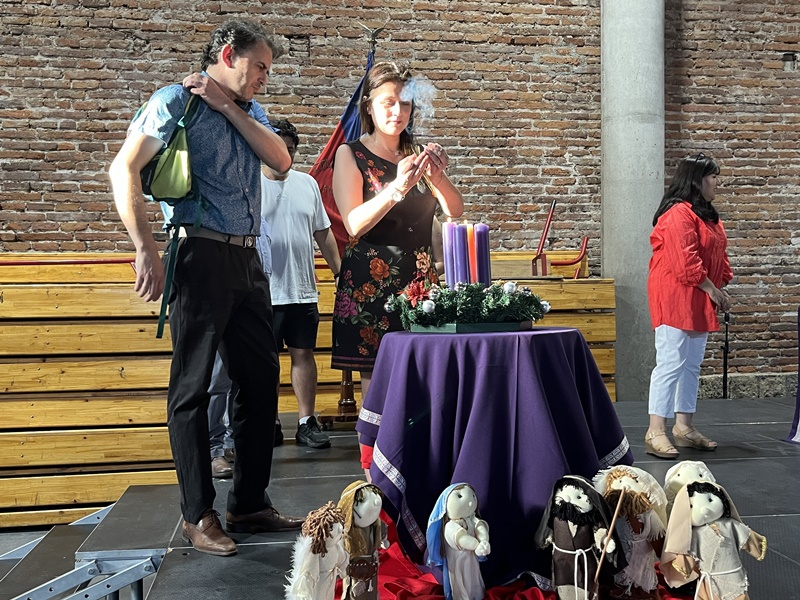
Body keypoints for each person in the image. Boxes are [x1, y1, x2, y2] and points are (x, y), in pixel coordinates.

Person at [109, 19, 303, 557]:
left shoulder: (251, 111)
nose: (264, 77)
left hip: (247, 258)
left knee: (260, 382)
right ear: (227, 54)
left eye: (268, 69)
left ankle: (249, 503)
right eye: (259, 65)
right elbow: (123, 168)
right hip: (197, 251)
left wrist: (228, 107)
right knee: (192, 389)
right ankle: (198, 513)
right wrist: (145, 247)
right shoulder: (174, 101)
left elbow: (281, 161)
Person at [330, 62, 463, 476]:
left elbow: (455, 210)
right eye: (388, 102)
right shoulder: (350, 154)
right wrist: (396, 189)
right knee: (378, 378)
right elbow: (353, 223)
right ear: (369, 107)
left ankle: (423, 464)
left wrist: (438, 176)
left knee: (426, 373)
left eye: (405, 103)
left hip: (420, 279)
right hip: (371, 281)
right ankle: (377, 472)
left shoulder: (417, 153)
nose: (398, 112)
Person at [645, 153, 733, 460]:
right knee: (670, 363)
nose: (717, 183)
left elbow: (719, 255)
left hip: (700, 295)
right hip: (675, 295)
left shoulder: (708, 216)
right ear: (697, 180)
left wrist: (719, 287)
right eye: (713, 177)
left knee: (691, 365)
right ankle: (655, 430)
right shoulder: (677, 214)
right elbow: (685, 262)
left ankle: (683, 426)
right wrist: (712, 289)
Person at [261, 118, 341, 449]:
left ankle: (306, 422)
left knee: (303, 354)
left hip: (302, 289)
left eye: (291, 149)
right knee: (264, 362)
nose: (286, 154)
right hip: (263, 291)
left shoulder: (307, 184)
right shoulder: (250, 183)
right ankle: (268, 421)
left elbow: (323, 233)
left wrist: (340, 273)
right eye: (279, 148)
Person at [207, 215, 273, 479]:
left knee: (247, 377)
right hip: (222, 282)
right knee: (218, 379)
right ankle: (213, 450)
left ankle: (232, 443)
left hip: (253, 287)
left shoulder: (254, 215)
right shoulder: (221, 211)